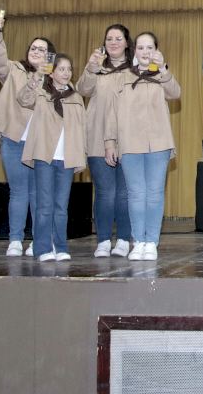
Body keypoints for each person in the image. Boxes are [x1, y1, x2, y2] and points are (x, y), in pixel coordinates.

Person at [105, 32, 180, 261]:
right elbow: (112, 112)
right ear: (134, 51)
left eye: (150, 48)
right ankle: (138, 241)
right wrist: (110, 142)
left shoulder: (162, 75)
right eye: (141, 47)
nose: (145, 52)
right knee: (136, 194)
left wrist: (163, 69)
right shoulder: (123, 77)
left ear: (156, 50)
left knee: (155, 194)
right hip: (130, 143)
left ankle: (151, 242)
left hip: (159, 142)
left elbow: (176, 93)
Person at [0, 12, 55, 257]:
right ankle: (15, 239)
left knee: (39, 193)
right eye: (33, 48)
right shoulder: (13, 69)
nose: (36, 52)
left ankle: (39, 240)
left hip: (41, 142)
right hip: (14, 139)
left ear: (50, 55)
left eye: (42, 49)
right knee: (18, 192)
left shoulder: (54, 79)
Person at [19, 54, 86, 262]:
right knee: (44, 205)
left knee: (61, 206)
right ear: (52, 72)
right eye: (61, 69)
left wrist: (81, 155)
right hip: (44, 156)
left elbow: (82, 128)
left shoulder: (76, 97)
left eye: (69, 69)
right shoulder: (41, 92)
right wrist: (36, 77)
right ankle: (42, 248)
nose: (66, 73)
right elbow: (23, 99)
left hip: (67, 158)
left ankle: (61, 246)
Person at [77, 24, 135, 258]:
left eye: (118, 38)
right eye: (109, 38)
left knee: (124, 193)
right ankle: (102, 240)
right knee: (104, 191)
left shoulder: (135, 69)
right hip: (98, 137)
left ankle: (123, 239)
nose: (113, 42)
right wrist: (91, 67)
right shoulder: (97, 68)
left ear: (127, 43)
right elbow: (82, 89)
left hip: (128, 138)